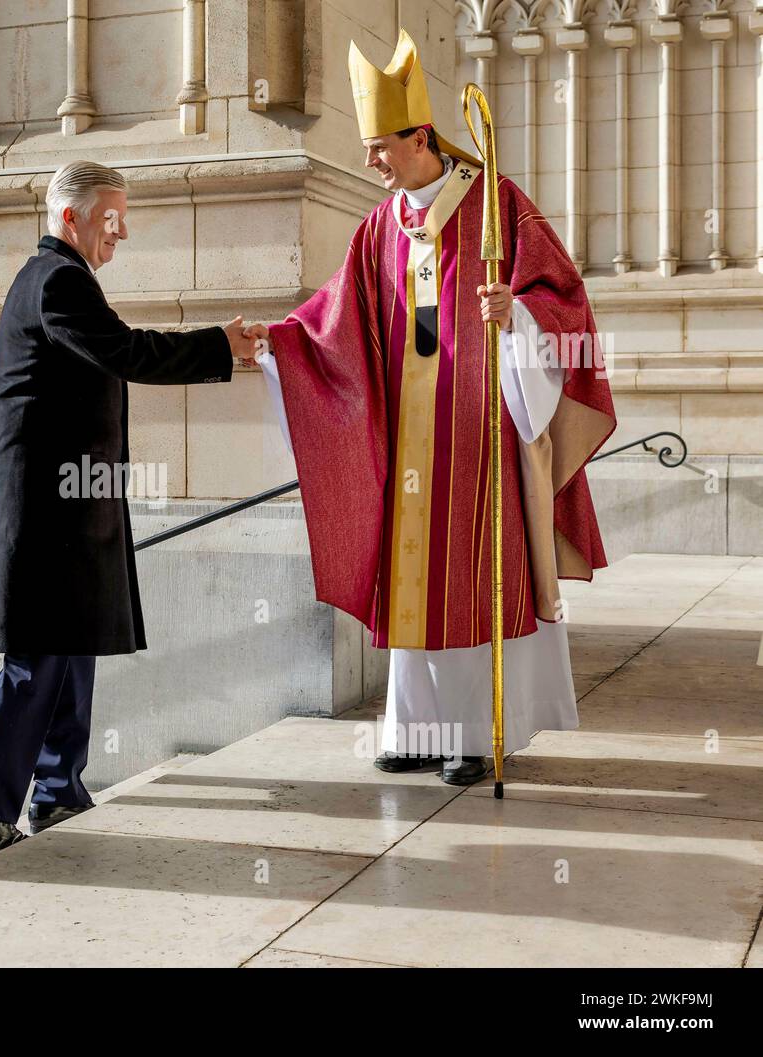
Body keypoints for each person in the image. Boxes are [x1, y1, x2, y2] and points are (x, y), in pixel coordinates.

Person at [246, 30, 616, 785]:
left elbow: (566, 301)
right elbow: (337, 319)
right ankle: (414, 725)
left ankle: (473, 735)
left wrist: (517, 313)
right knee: (411, 574)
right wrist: (280, 345)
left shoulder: (498, 206)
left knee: (471, 578)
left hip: (479, 435)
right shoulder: (380, 227)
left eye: (381, 147)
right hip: (412, 439)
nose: (372, 163)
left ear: (421, 137)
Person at [0, 160, 261, 853]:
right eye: (112, 217)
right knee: (42, 658)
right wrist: (219, 345)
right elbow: (127, 352)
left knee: (73, 647)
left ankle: (58, 790)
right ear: (71, 219)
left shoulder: (62, 279)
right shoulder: (55, 279)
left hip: (69, 511)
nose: (124, 230)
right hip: (45, 516)